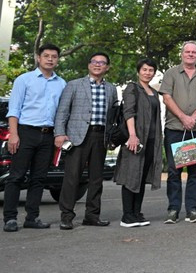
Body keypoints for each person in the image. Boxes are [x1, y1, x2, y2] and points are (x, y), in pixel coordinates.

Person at [3, 44, 66, 232]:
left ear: (57, 59)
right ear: (38, 58)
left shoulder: (61, 83)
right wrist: (13, 134)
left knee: (39, 178)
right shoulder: (24, 80)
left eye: (54, 56)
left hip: (48, 135)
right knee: (16, 176)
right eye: (46, 55)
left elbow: (61, 113)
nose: (50, 59)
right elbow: (13, 110)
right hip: (25, 133)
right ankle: (10, 218)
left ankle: (32, 217)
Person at [54, 52, 118, 229]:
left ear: (107, 67)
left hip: (100, 136)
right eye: (94, 62)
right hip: (77, 136)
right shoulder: (74, 85)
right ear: (89, 65)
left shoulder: (111, 89)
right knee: (72, 177)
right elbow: (62, 111)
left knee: (96, 178)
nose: (98, 65)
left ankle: (92, 215)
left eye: (102, 63)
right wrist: (59, 133)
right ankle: (66, 216)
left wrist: (113, 136)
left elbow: (113, 115)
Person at [160, 41, 196, 224]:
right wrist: (183, 117)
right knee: (175, 171)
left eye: (194, 52)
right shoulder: (171, 73)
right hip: (175, 128)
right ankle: (173, 209)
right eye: (187, 51)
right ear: (182, 54)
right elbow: (166, 98)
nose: (191, 54)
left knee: (195, 171)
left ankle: (192, 210)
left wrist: (193, 117)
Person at [114, 58, 164, 227]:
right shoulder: (132, 88)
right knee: (131, 175)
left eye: (151, 70)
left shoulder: (154, 92)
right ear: (138, 71)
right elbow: (129, 112)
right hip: (135, 139)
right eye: (144, 69)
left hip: (151, 141)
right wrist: (132, 135)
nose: (147, 73)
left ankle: (136, 213)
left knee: (141, 177)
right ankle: (126, 215)